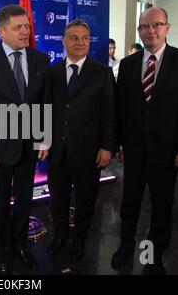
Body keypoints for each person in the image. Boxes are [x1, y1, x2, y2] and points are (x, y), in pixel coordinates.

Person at [112, 7, 178, 275]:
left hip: (168, 152)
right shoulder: (127, 64)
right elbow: (121, 109)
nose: (150, 31)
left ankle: (152, 256)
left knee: (161, 208)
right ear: (138, 30)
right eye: (144, 26)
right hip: (135, 151)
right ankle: (126, 247)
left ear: (167, 27)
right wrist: (119, 145)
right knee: (130, 204)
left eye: (157, 25)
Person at [0, 5, 50, 275]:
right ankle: (2, 255)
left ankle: (22, 248)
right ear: (1, 31)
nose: (25, 31)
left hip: (28, 148)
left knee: (25, 202)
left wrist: (44, 137)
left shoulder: (40, 60)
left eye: (27, 26)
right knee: (0, 208)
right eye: (18, 27)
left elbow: (43, 102)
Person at [46, 19, 116, 261]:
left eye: (85, 38)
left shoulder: (102, 73)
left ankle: (80, 239)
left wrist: (107, 147)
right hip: (57, 151)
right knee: (58, 200)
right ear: (64, 41)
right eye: (74, 37)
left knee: (86, 201)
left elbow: (110, 114)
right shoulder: (52, 72)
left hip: (89, 152)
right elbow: (44, 109)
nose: (80, 42)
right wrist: (41, 141)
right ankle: (60, 235)